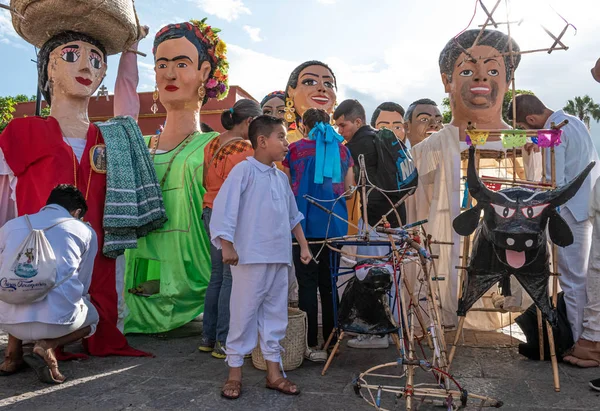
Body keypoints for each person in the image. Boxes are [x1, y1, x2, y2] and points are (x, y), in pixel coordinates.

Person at [0, 28, 159, 358]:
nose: (86, 67)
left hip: (99, 254)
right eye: (71, 55)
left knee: (98, 307)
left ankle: (40, 345)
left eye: (96, 60)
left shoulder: (111, 138)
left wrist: (130, 50)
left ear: (103, 73)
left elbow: (128, 107)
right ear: (49, 68)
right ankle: (27, 344)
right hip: (35, 257)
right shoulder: (24, 132)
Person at [412, 29, 541, 330]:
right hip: (447, 248)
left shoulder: (525, 147)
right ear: (447, 80)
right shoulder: (428, 150)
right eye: (468, 70)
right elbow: (419, 210)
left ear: (508, 81)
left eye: (493, 70)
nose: (481, 78)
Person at [116, 20, 230, 334]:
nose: (169, 74)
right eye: (162, 64)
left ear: (205, 73)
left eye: (182, 63)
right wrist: (129, 51)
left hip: (195, 271)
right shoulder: (141, 146)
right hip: (141, 271)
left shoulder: (213, 146)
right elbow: (123, 109)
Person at [210, 115, 311, 399]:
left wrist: (303, 245)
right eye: (281, 136)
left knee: (275, 315)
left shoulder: (280, 177)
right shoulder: (244, 171)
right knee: (243, 314)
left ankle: (274, 373)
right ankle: (234, 373)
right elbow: (224, 207)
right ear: (262, 141)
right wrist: (226, 244)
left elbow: (293, 216)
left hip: (278, 258)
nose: (286, 143)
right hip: (250, 257)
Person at [507, 94, 600, 344]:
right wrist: (535, 142)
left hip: (568, 212)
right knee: (579, 278)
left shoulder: (553, 132)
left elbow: (553, 182)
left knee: (572, 281)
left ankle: (579, 340)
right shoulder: (571, 121)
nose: (527, 132)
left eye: (525, 128)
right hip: (584, 206)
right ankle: (583, 336)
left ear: (530, 118)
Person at [334, 99, 415, 349]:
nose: (340, 131)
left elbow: (348, 187)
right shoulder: (383, 139)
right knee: (391, 273)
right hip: (395, 218)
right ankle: (392, 329)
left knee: (371, 274)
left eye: (343, 125)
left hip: (375, 220)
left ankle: (377, 333)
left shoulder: (358, 144)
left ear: (358, 121)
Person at [0, 185, 98, 384]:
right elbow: (83, 282)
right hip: (57, 323)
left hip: (7, 321)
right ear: (77, 212)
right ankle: (47, 345)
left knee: (19, 286)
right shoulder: (84, 231)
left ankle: (11, 357)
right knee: (94, 317)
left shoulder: (12, 225)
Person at [283, 108, 354, 361]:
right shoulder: (343, 150)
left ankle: (309, 342)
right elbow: (350, 191)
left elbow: (286, 187)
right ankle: (333, 341)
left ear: (304, 126)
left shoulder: (294, 150)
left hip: (301, 227)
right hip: (333, 226)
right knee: (329, 284)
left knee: (307, 285)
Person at [198, 99, 261, 359]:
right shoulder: (245, 149)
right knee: (229, 278)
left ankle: (207, 337)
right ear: (248, 122)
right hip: (229, 215)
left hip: (208, 209)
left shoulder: (212, 142)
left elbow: (204, 179)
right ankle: (224, 340)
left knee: (216, 277)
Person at [284, 61, 338, 145]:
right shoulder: (285, 143)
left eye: (328, 84)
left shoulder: (343, 142)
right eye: (310, 82)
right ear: (291, 91)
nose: (322, 88)